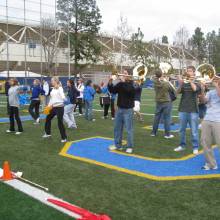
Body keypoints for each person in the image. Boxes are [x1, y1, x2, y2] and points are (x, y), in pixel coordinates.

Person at [174, 66, 201, 154]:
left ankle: (195, 147)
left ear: (194, 73)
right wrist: (181, 83)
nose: (188, 72)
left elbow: (195, 89)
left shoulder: (197, 82)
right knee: (181, 129)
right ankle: (182, 145)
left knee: (194, 130)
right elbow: (176, 93)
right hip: (183, 109)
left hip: (193, 110)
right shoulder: (184, 82)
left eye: (190, 71)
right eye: (187, 71)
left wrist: (191, 81)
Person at [108, 69, 135, 154]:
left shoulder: (131, 84)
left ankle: (129, 146)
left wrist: (123, 81)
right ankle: (117, 145)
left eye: (125, 73)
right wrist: (110, 81)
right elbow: (112, 90)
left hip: (128, 110)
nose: (123, 74)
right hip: (119, 109)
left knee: (128, 129)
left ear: (129, 76)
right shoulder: (120, 83)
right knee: (117, 128)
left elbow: (129, 91)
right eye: (123, 73)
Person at [201, 76, 220, 170]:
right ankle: (211, 164)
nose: (215, 81)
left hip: (218, 120)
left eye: (217, 79)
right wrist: (202, 90)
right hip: (207, 118)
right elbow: (203, 101)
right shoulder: (210, 92)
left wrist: (216, 86)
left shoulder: (216, 89)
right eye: (215, 79)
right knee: (205, 142)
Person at [151, 69, 174, 139]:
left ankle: (153, 133)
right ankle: (167, 134)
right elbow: (173, 89)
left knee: (156, 117)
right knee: (167, 118)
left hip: (158, 102)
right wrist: (166, 80)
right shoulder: (166, 83)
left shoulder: (155, 82)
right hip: (166, 102)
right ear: (161, 75)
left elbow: (156, 79)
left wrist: (160, 77)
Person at [43, 77, 67, 143]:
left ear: (56, 81)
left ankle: (64, 138)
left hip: (59, 107)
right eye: (51, 81)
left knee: (60, 122)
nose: (51, 82)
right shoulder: (53, 89)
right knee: (48, 119)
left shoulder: (60, 88)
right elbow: (51, 99)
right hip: (53, 107)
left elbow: (62, 96)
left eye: (52, 81)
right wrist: (48, 107)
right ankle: (48, 133)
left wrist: (65, 99)